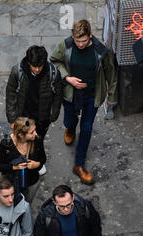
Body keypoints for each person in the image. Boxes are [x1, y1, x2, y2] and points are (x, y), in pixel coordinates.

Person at [50, 19, 118, 184]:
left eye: (83, 40)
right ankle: (70, 128)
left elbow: (111, 73)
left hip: (91, 95)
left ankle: (79, 165)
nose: (80, 44)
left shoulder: (100, 50)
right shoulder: (66, 45)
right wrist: (68, 78)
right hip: (71, 93)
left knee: (86, 128)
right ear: (72, 36)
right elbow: (54, 61)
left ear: (90, 36)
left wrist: (112, 96)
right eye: (77, 40)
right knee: (70, 119)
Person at [5, 45, 62, 176]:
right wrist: (12, 118)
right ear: (28, 62)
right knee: (21, 138)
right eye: (33, 66)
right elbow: (10, 94)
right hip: (22, 114)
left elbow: (58, 94)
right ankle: (21, 160)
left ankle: (38, 161)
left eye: (39, 66)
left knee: (38, 140)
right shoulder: (18, 71)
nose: (36, 69)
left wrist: (54, 115)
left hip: (42, 116)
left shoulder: (53, 73)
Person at [0, 117, 46, 203]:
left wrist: (37, 165)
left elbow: (43, 158)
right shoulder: (6, 144)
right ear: (21, 135)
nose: (36, 133)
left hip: (31, 181)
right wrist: (15, 167)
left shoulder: (37, 140)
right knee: (11, 203)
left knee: (26, 204)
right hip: (11, 184)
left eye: (35, 130)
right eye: (32, 132)